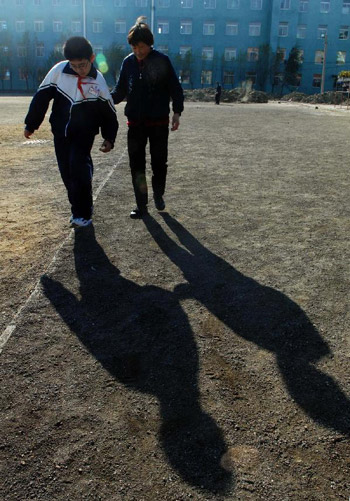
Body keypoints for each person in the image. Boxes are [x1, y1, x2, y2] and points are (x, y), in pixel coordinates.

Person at [24, 36, 118, 228]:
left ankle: (83, 213)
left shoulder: (97, 80)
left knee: (77, 168)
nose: (78, 70)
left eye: (82, 65)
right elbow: (41, 97)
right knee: (67, 173)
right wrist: (31, 124)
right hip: (61, 133)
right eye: (74, 66)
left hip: (84, 134)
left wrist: (109, 137)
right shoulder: (59, 71)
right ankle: (77, 208)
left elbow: (108, 112)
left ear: (91, 58)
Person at [111, 17, 184, 219]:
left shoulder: (162, 61)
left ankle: (158, 194)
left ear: (149, 44)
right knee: (137, 166)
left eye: (141, 46)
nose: (138, 51)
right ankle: (141, 206)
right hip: (135, 124)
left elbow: (175, 89)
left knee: (159, 163)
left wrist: (177, 112)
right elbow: (120, 91)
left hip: (158, 123)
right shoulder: (128, 63)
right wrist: (106, 99)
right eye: (134, 47)